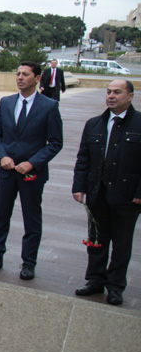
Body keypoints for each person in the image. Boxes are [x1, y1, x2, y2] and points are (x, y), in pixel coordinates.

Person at [0, 61, 64, 280]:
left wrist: (33, 162)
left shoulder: (49, 106)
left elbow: (56, 142)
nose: (20, 77)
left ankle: (29, 262)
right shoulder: (6, 103)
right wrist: (2, 157)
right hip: (7, 171)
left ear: (38, 78)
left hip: (31, 173)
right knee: (1, 215)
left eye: (25, 74)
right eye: (18, 74)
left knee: (31, 219)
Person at [71, 79, 141, 306]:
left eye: (117, 92)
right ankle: (95, 280)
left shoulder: (139, 124)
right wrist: (79, 186)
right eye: (108, 92)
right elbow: (83, 158)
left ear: (130, 96)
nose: (111, 96)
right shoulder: (95, 124)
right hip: (97, 193)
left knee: (121, 244)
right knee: (97, 241)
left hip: (127, 196)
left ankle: (115, 286)